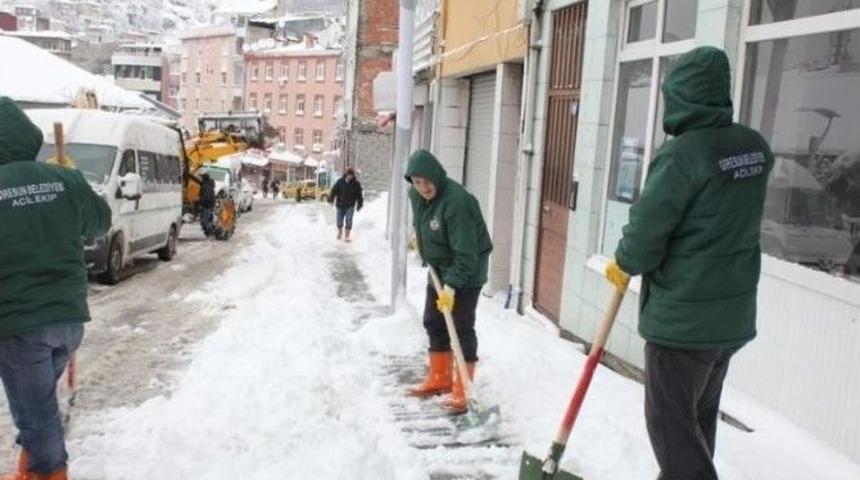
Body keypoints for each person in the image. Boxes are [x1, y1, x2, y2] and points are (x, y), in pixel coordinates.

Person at [604, 47, 774, 480]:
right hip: (728, 320)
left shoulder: (682, 155)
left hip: (683, 323)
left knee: (673, 433)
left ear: (680, 97)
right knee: (696, 425)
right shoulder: (754, 148)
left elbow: (645, 235)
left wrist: (624, 262)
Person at [0, 97, 111, 480]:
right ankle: (26, 472)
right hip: (68, 321)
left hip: (20, 326)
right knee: (39, 413)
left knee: (38, 421)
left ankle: (46, 473)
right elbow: (100, 221)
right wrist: (72, 182)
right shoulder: (64, 179)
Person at [404, 150, 493, 414]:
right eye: (417, 182)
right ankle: (439, 378)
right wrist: (419, 240)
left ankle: (463, 389)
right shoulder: (415, 195)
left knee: (461, 326)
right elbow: (424, 222)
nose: (423, 188)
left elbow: (467, 254)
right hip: (439, 269)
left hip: (467, 271)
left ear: (437, 175)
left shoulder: (457, 203)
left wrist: (452, 287)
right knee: (433, 321)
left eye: (427, 181)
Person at [328, 167, 364, 241]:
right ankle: (340, 233)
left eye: (351, 175)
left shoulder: (356, 184)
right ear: (346, 174)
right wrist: (331, 199)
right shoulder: (340, 182)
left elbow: (359, 195)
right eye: (348, 175)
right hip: (340, 205)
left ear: (353, 176)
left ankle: (347, 235)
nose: (350, 177)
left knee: (348, 220)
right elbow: (334, 191)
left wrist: (360, 204)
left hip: (350, 206)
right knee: (339, 221)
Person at [198, 173, 216, 237]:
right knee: (209, 218)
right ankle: (210, 232)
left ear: (204, 178)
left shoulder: (205, 186)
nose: (201, 179)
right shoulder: (209, 184)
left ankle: (210, 233)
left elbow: (206, 196)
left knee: (205, 220)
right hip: (210, 204)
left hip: (206, 205)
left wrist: (200, 201)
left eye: (202, 178)